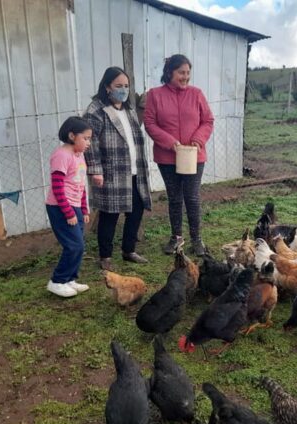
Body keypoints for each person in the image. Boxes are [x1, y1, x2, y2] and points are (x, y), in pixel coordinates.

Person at [144, 54, 214, 256]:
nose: (186, 77)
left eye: (188, 73)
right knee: (174, 198)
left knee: (191, 197)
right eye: (181, 72)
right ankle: (176, 238)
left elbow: (207, 121)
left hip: (194, 155)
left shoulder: (196, 94)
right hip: (167, 157)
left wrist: (198, 140)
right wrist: (170, 142)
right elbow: (150, 124)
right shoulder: (155, 95)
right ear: (169, 73)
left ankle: (197, 240)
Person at [83, 67, 152, 271]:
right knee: (109, 213)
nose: (123, 90)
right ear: (107, 87)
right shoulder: (95, 110)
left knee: (137, 209)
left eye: (126, 86)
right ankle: (105, 256)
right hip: (110, 172)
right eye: (118, 86)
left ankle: (128, 250)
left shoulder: (128, 109)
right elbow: (90, 142)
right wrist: (95, 169)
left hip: (133, 170)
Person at [45, 117, 91, 297]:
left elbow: (80, 185)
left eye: (90, 139)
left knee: (79, 245)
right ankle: (57, 281)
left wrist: (84, 209)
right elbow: (57, 187)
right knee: (74, 245)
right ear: (72, 135)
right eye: (85, 138)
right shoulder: (62, 155)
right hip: (61, 208)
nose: (89, 143)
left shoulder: (78, 155)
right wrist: (68, 212)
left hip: (75, 207)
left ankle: (70, 279)